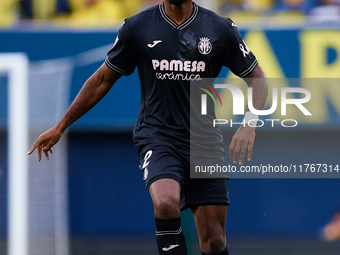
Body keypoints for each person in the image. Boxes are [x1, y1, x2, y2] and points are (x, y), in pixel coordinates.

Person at [27, 0, 268, 254]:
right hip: (158, 136)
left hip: (203, 140)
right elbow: (102, 80)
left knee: (214, 240)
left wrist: (249, 124)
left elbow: (258, 78)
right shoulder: (138, 27)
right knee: (165, 202)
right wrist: (61, 126)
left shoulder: (219, 28)